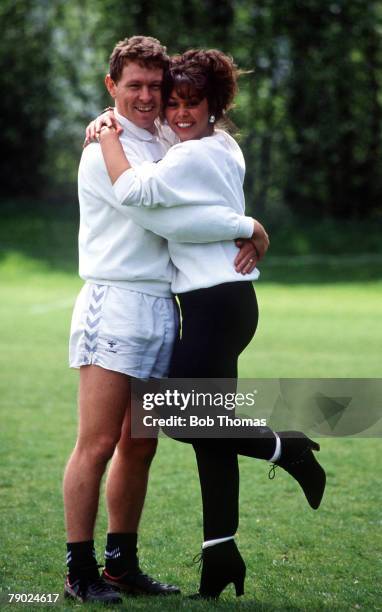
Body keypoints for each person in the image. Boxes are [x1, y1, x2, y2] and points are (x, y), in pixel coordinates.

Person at [97, 48, 326, 600]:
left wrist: (106, 134)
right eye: (172, 102)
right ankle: (220, 558)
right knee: (210, 442)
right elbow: (194, 221)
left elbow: (132, 191)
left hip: (216, 306)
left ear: (214, 103)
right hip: (221, 304)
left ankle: (284, 446)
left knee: (174, 416)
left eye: (191, 103)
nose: (177, 113)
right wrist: (244, 223)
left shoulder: (195, 155)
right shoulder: (214, 145)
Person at [64, 36, 267, 605]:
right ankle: (78, 571)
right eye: (134, 86)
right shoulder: (103, 147)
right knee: (98, 443)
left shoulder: (162, 139)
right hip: (116, 301)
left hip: (164, 307)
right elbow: (164, 219)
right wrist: (248, 227)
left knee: (140, 444)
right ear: (112, 87)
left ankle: (120, 565)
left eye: (156, 85)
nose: (149, 97)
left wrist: (244, 221)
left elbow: (198, 193)